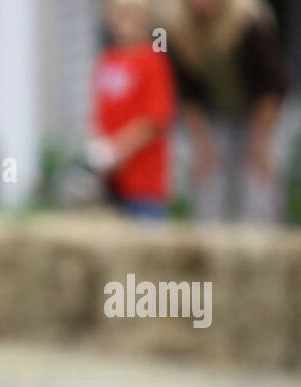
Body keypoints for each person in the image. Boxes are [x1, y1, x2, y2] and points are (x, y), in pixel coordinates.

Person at [161, 0, 289, 222]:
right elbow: (188, 94)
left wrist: (260, 144)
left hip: (261, 110)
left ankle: (262, 241)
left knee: (258, 178)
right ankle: (207, 246)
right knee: (208, 178)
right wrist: (202, 146)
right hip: (214, 113)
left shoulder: (250, 22)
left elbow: (271, 87)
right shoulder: (179, 30)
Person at [86, 0, 177, 219]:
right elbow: (99, 113)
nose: (129, 21)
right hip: (112, 184)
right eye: (123, 14)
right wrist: (99, 151)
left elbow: (156, 120)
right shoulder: (106, 60)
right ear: (110, 18)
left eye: (136, 15)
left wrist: (116, 151)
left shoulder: (154, 61)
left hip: (145, 185)